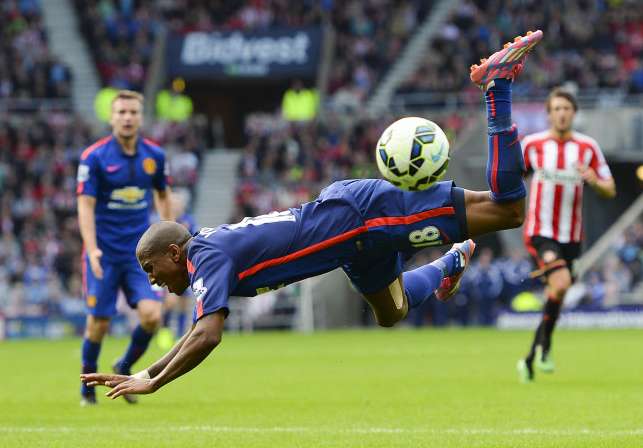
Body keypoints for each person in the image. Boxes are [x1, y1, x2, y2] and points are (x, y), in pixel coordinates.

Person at [81, 32, 543, 399]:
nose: (153, 281)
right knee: (392, 311)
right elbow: (196, 332)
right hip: (350, 241)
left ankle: (496, 86)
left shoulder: (207, 258)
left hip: (361, 216)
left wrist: (155, 383)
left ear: (174, 251)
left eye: (152, 269)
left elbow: (206, 336)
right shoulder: (204, 256)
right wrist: (145, 371)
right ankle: (450, 263)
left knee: (507, 210)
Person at [77, 90, 174, 405]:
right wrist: (91, 248)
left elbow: (162, 194)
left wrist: (169, 235)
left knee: (151, 316)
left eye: (133, 112)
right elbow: (85, 206)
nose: (127, 117)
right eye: (121, 112)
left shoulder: (154, 157)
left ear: (141, 117)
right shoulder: (94, 157)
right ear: (111, 117)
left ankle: (124, 367)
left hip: (139, 255)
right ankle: (87, 384)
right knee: (98, 324)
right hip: (103, 253)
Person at [516, 88, 616, 383]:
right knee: (561, 284)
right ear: (549, 114)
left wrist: (594, 180)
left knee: (556, 294)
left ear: (574, 113)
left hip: (572, 237)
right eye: (556, 108)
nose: (561, 113)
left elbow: (610, 189)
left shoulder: (587, 148)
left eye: (566, 109)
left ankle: (533, 357)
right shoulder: (532, 145)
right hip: (540, 232)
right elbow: (511, 181)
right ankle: (545, 348)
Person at [156, 190, 198, 348]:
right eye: (173, 204)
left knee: (183, 303)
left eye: (178, 204)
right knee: (170, 301)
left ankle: (180, 336)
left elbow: (194, 239)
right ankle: (164, 331)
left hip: (185, 267)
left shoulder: (189, 221)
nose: (176, 206)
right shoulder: (164, 222)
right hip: (169, 268)